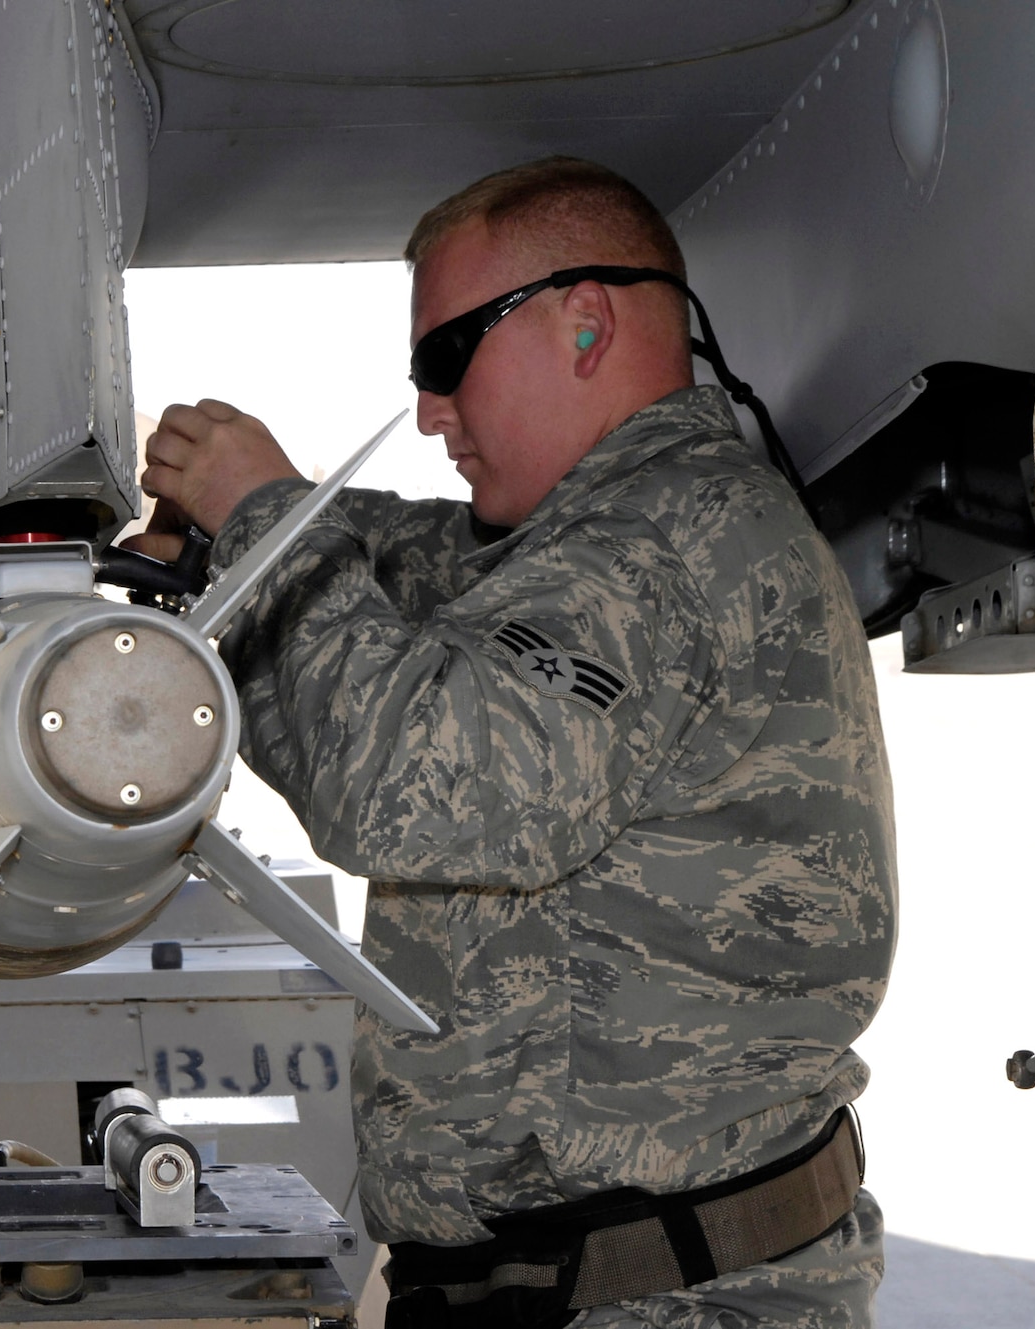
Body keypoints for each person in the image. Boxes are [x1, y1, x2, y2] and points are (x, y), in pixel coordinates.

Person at [128, 158, 896, 1328]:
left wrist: (265, 515)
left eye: (445, 360)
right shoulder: (578, 539)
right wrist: (229, 536)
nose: (431, 410)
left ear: (584, 324)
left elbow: (405, 783)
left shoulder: (670, 536)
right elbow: (399, 573)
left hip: (663, 1297)